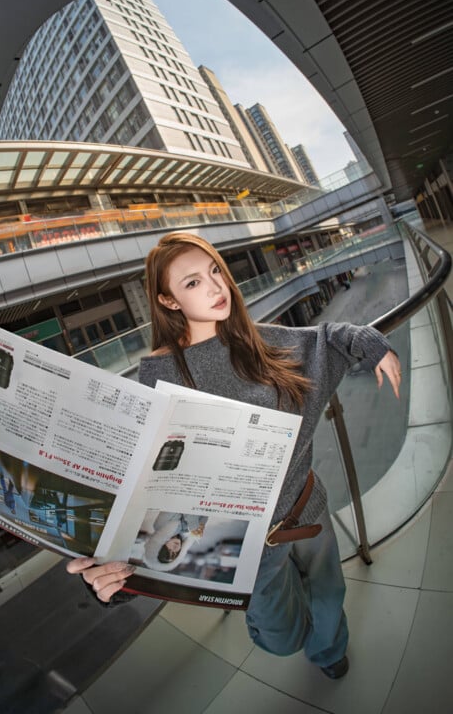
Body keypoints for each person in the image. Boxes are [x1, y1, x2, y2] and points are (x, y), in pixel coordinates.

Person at [67, 232, 401, 680]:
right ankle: (274, 618)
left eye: (215, 272)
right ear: (167, 301)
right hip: (244, 545)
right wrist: (120, 578)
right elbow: (150, 490)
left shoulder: (254, 338)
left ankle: (330, 652)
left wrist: (370, 344)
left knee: (327, 593)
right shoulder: (159, 377)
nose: (215, 287)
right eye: (192, 283)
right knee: (280, 636)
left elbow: (325, 339)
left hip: (305, 508)